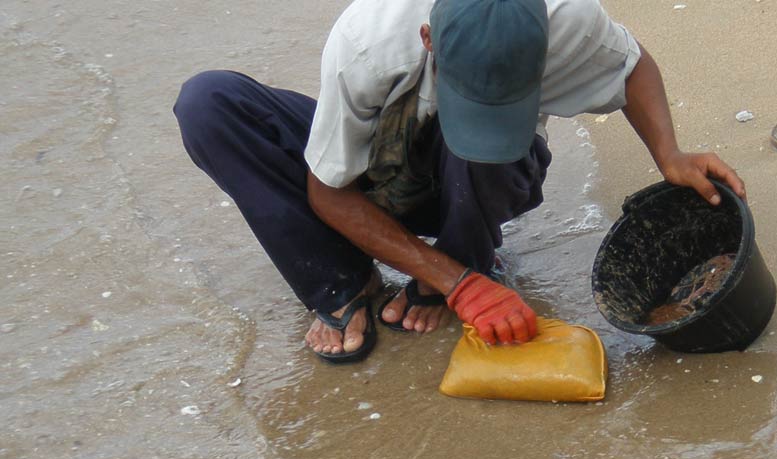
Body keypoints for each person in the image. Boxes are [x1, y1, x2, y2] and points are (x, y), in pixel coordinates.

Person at [174, 0, 745, 364]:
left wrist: (668, 153)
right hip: (378, 159)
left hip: (479, 180)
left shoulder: (566, 18)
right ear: (428, 39)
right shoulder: (368, 41)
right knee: (209, 103)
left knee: (470, 149)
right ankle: (344, 283)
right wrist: (464, 288)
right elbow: (329, 190)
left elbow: (631, 64)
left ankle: (457, 259)